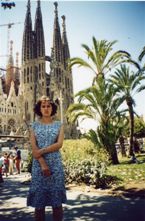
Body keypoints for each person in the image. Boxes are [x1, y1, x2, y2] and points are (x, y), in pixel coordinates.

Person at [27, 95, 66, 221]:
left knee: (57, 203)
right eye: (43, 106)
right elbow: (34, 148)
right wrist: (43, 163)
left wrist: (42, 151)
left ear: (52, 108)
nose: (46, 108)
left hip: (55, 165)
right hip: (39, 166)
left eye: (48, 106)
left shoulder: (59, 125)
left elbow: (59, 144)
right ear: (39, 109)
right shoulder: (33, 126)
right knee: (39, 204)